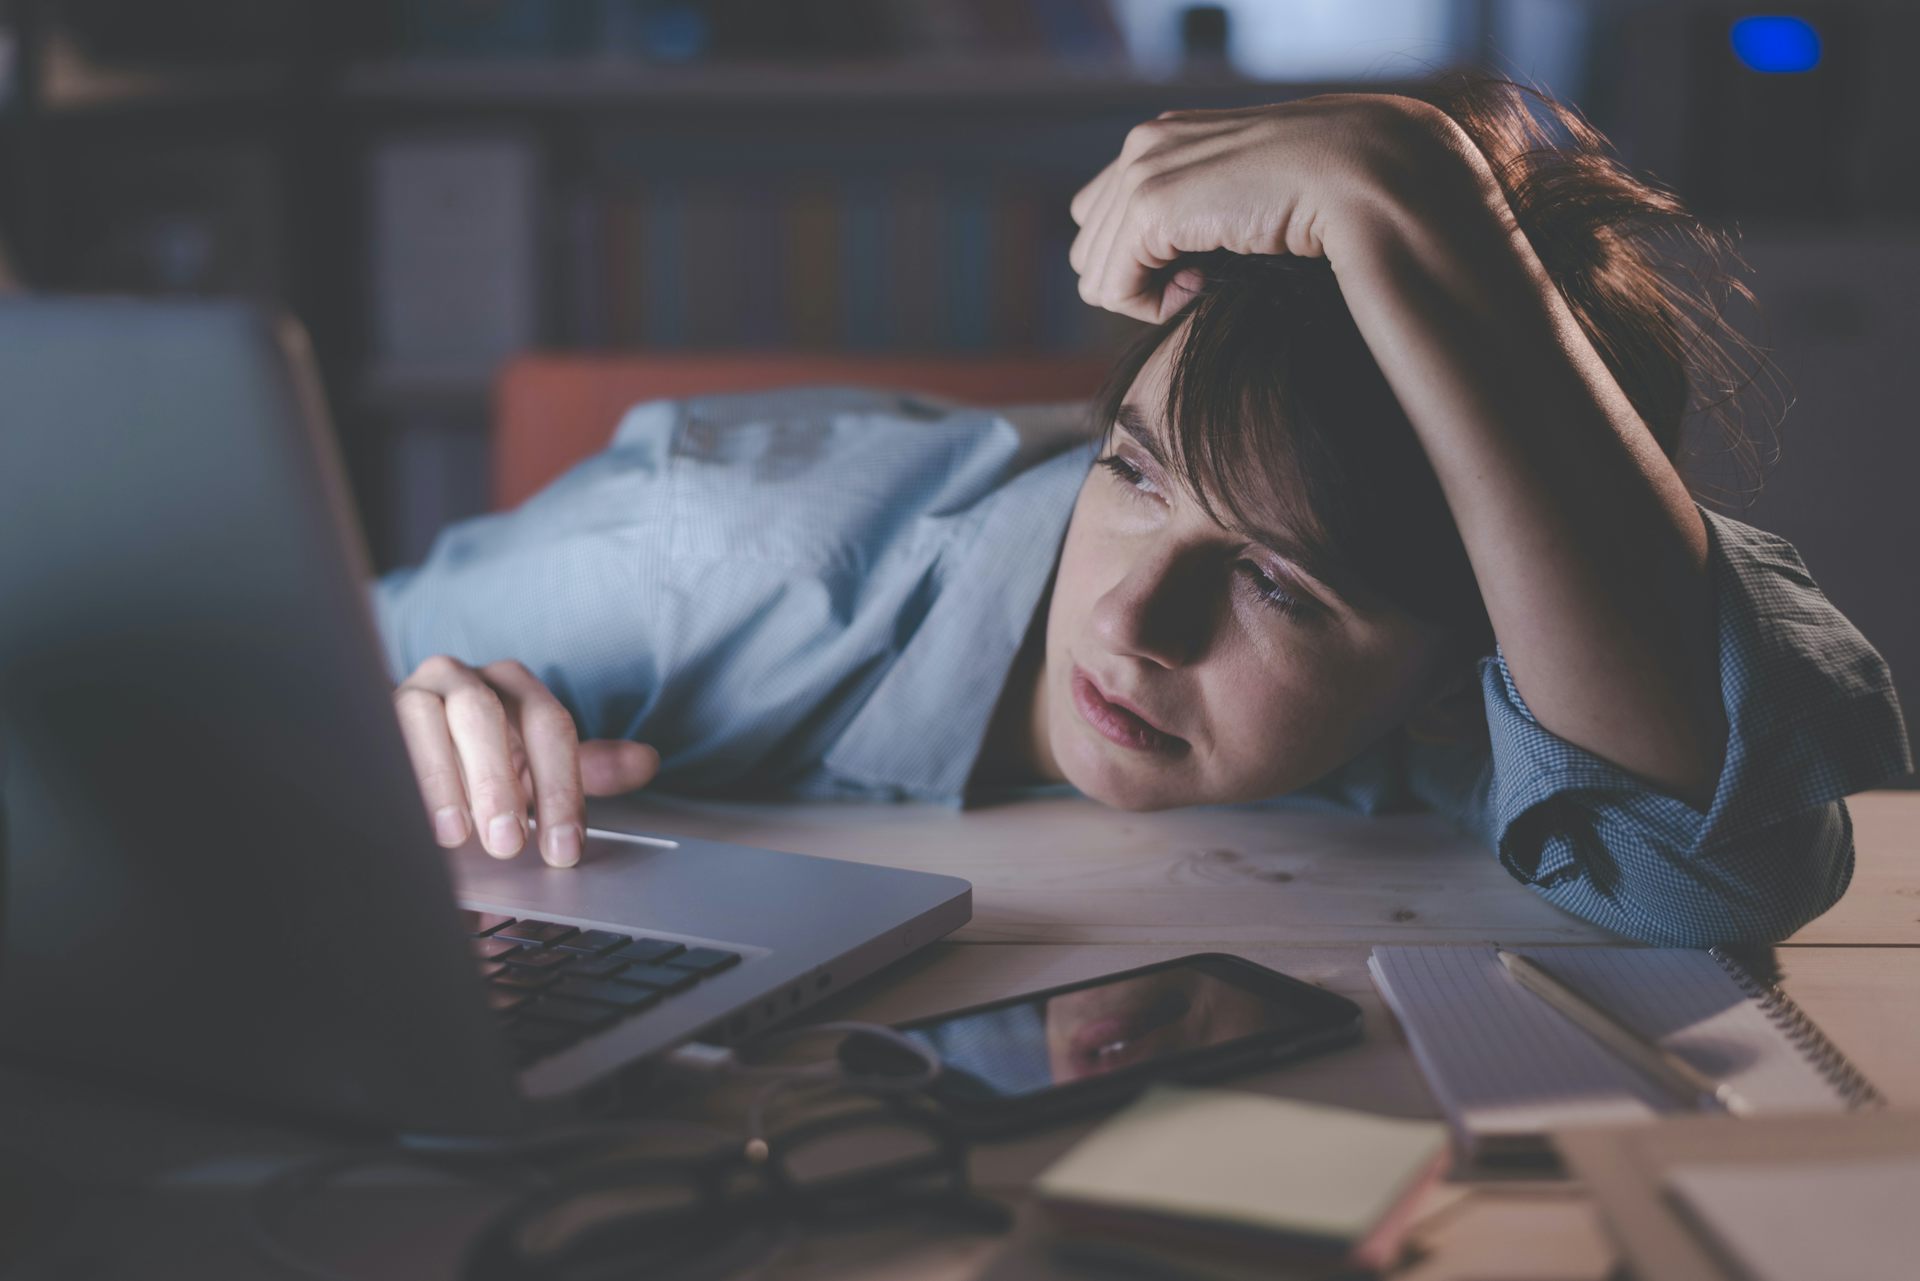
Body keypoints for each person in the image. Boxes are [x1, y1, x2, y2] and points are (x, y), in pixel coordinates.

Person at [373, 73, 1911, 947]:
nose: (1126, 614)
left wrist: (1415, 199)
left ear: (1461, 666)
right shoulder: (707, 554)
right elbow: (221, 675)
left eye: (1281, 587)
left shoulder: (1478, 713)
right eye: (1133, 471)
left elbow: (1709, 876)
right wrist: (398, 722)